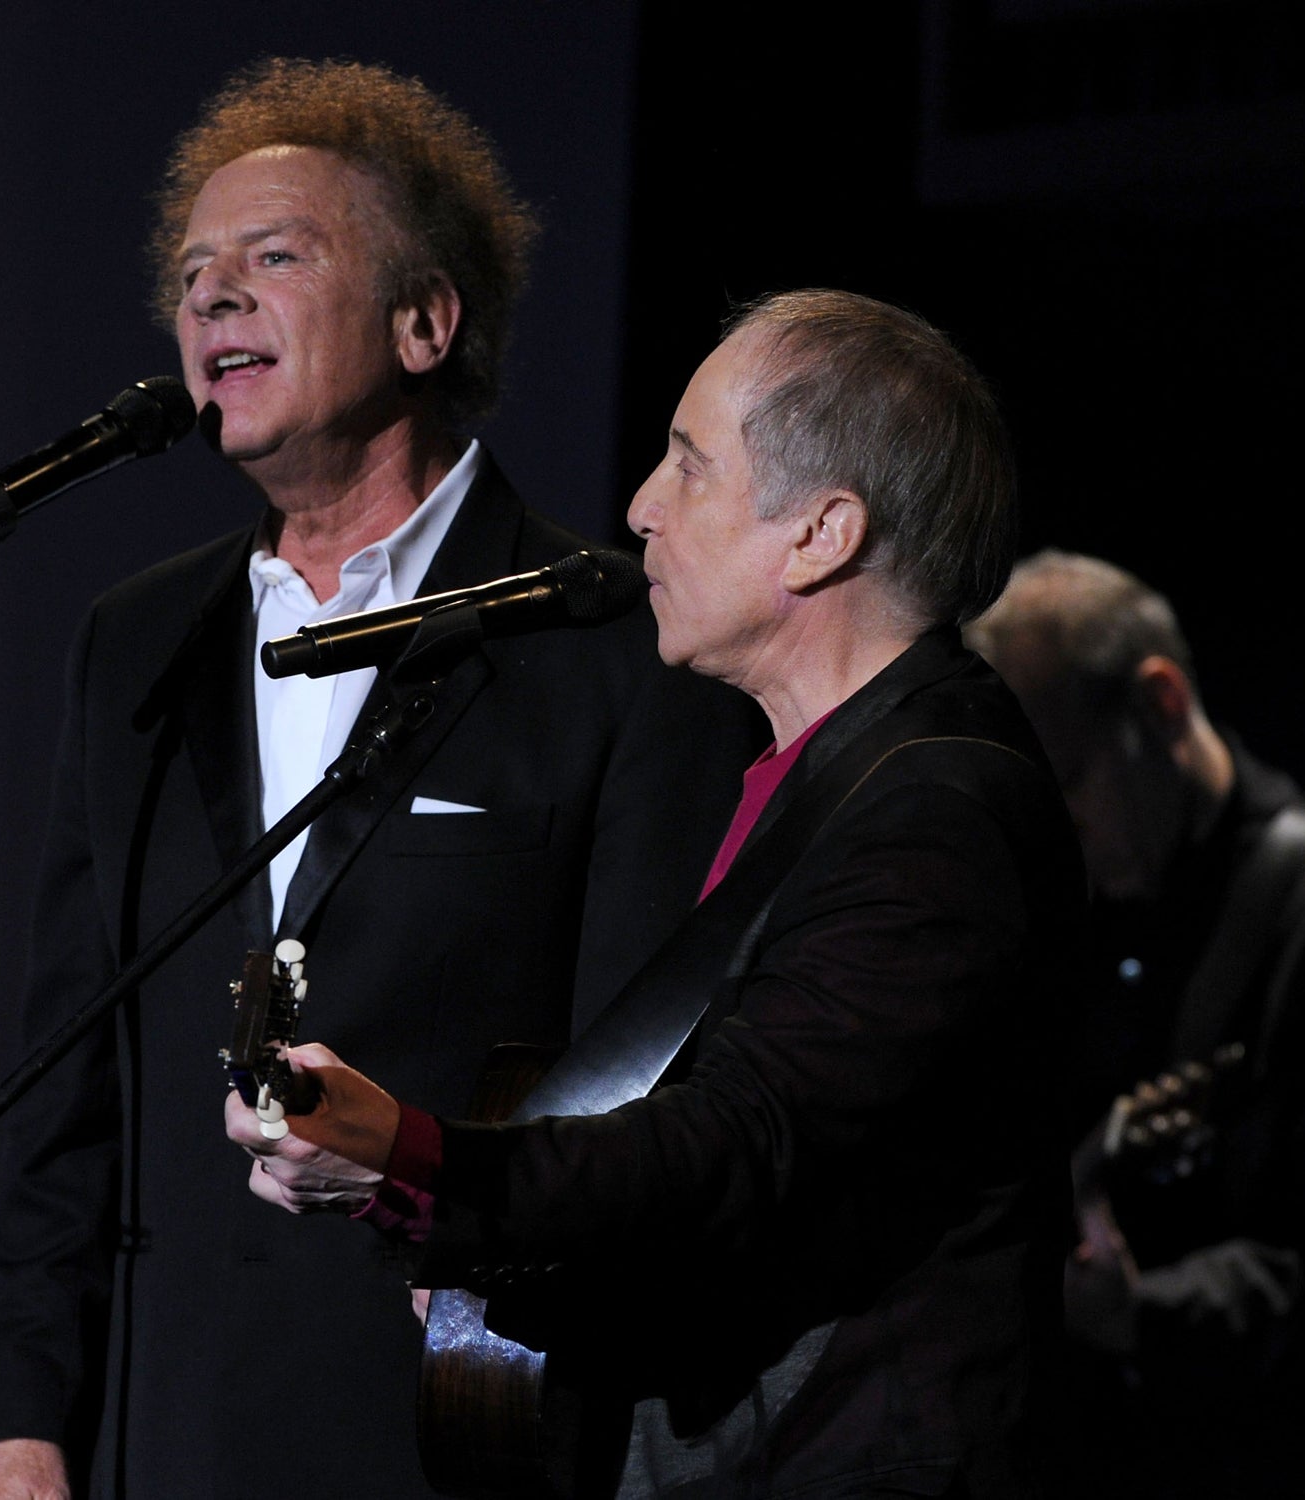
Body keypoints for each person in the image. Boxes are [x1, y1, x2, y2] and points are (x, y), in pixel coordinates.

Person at [0, 58, 762, 1500]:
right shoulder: (137, 640)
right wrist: (21, 1413)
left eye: (274, 258)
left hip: (457, 1420)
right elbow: (64, 1071)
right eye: (195, 271)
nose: (212, 298)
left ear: (424, 321)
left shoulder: (605, 638)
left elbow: (645, 1090)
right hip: (157, 1415)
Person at [229, 289, 1088, 1498]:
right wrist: (498, 1238)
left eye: (689, 467)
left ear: (819, 535)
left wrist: (418, 1164)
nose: (637, 508)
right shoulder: (829, 776)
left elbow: (736, 1144)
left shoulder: (933, 810)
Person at [962, 550, 1305, 1497]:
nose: (1051, 835)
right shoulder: (1093, 895)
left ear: (1162, 706)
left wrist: (1139, 1313)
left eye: (1066, 782)